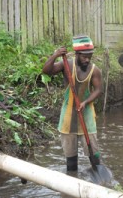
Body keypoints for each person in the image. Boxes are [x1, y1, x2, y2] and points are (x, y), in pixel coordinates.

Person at [42, 35, 102, 171]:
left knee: (94, 154)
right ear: (77, 54)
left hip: (86, 117)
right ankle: (72, 183)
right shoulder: (67, 64)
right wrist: (55, 55)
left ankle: (98, 178)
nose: (87, 59)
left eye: (90, 56)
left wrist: (85, 102)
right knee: (70, 159)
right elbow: (46, 71)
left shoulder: (94, 70)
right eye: (84, 56)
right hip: (68, 119)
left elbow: (98, 90)